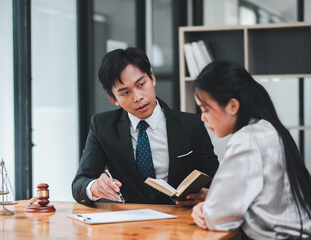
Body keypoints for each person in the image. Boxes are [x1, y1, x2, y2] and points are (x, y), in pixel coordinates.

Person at [72, 47, 219, 205]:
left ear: (152, 79)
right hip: (129, 223)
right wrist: (94, 187)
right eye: (125, 93)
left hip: (180, 220)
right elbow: (79, 183)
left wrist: (207, 195)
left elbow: (217, 180)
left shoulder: (192, 125)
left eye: (141, 84)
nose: (138, 97)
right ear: (114, 99)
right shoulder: (102, 127)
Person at [191, 60, 311, 239]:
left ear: (233, 106)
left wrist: (206, 209)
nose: (203, 118)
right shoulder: (266, 128)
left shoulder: (247, 139)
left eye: (205, 109)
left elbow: (218, 218)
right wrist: (211, 203)